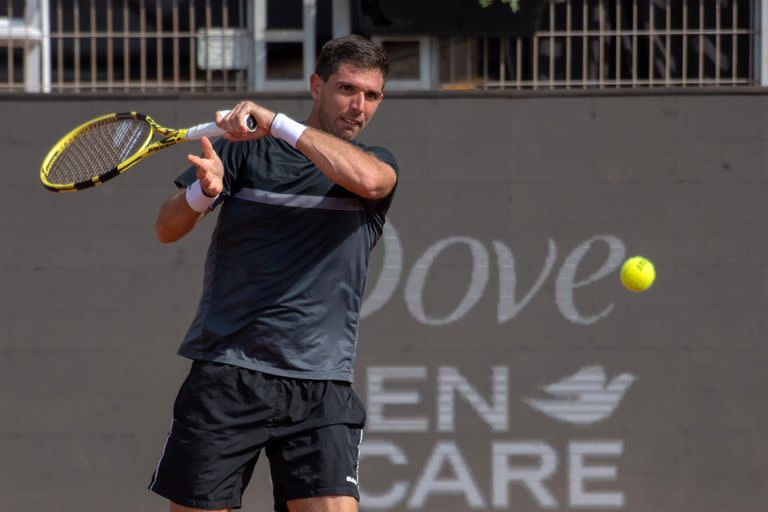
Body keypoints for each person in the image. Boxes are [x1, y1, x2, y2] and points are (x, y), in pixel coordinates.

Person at [148, 35, 398, 512]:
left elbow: (369, 181)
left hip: (321, 385)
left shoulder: (375, 165)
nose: (358, 106)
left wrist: (275, 123)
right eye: (347, 89)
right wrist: (204, 192)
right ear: (316, 86)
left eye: (372, 95)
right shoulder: (243, 153)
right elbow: (166, 228)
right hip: (228, 373)